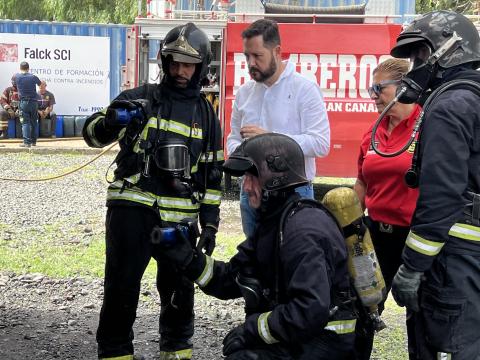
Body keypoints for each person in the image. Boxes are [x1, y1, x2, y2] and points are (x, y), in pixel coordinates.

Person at [82, 22, 224, 360]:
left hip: (179, 223)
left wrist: (211, 225)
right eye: (173, 61)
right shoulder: (137, 98)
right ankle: (115, 353)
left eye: (187, 64)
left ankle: (176, 352)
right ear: (163, 61)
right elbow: (92, 136)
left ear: (201, 66)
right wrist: (114, 120)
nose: (179, 70)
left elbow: (211, 176)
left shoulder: (206, 115)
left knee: (179, 292)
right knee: (121, 288)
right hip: (131, 209)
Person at [159, 133, 357, 360]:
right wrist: (188, 259)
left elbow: (309, 310)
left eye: (251, 177)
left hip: (327, 342)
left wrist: (251, 330)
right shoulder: (274, 224)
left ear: (275, 179)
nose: (246, 186)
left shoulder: (302, 232)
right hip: (305, 335)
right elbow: (231, 279)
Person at [388, 10, 480, 360]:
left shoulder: (449, 106)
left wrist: (412, 267)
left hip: (454, 263)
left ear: (449, 50)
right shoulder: (473, 96)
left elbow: (441, 199)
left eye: (420, 55)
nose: (414, 66)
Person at [225, 19, 330, 238]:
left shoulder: (305, 89)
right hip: (251, 192)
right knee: (253, 262)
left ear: (277, 51)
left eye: (257, 56)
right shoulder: (244, 93)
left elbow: (320, 144)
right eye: (247, 56)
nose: (251, 63)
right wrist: (245, 151)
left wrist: (269, 140)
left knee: (292, 261)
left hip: (294, 192)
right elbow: (232, 140)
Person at [353, 58, 421, 359]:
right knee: (360, 313)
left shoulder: (427, 125)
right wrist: (349, 228)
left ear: (404, 87)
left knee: (420, 317)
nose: (373, 96)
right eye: (371, 89)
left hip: (414, 238)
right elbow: (361, 183)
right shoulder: (373, 131)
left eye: (379, 88)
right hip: (375, 236)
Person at [14, 61, 41, 147]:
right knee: (34, 122)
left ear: (20, 68)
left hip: (24, 102)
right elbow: (40, 84)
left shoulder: (16, 76)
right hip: (34, 102)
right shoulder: (33, 77)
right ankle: (33, 142)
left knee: (25, 123)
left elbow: (14, 84)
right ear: (28, 68)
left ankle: (27, 142)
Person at [0, 75, 20, 139]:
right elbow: (2, 100)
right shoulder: (8, 90)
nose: (15, 83)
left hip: (20, 112)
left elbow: (26, 101)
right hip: (9, 112)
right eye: (14, 81)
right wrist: (8, 109)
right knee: (2, 113)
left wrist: (20, 109)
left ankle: (22, 134)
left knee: (25, 113)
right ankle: (4, 134)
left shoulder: (23, 90)